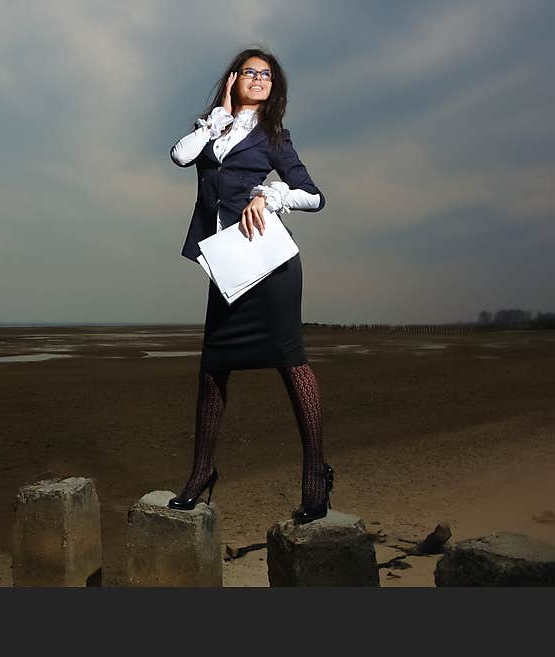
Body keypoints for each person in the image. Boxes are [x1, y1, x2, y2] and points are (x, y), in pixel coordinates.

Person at [167, 47, 334, 523]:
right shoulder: (212, 130)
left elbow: (314, 196)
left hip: (270, 264)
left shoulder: (274, 136)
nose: (260, 79)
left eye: (268, 75)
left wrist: (269, 195)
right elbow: (181, 157)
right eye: (251, 72)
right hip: (226, 264)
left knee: (291, 365)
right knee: (213, 369)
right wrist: (215, 119)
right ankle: (201, 472)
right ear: (233, 79)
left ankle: (314, 476)